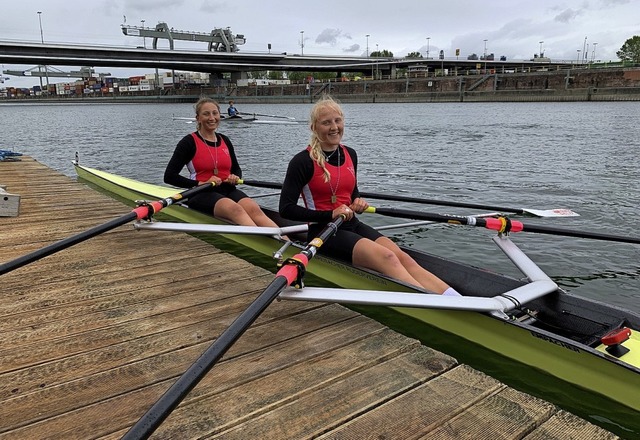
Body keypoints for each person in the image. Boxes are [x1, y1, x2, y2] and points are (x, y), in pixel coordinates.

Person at [279, 96, 461, 296]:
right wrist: (330, 214)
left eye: (338, 120)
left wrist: (357, 201)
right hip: (324, 232)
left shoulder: (350, 154)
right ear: (313, 127)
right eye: (326, 122)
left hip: (350, 224)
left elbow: (352, 192)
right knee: (388, 257)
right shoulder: (302, 162)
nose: (334, 127)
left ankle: (456, 299)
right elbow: (286, 208)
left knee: (403, 257)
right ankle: (436, 305)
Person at [164, 97, 284, 235]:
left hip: (227, 189)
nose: (212, 118)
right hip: (202, 192)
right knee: (236, 210)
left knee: (254, 209)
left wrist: (235, 176)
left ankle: (286, 242)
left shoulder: (225, 140)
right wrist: (201, 183)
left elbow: (236, 169)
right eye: (206, 114)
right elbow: (169, 177)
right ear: (198, 118)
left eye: (215, 113)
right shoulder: (188, 142)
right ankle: (269, 245)